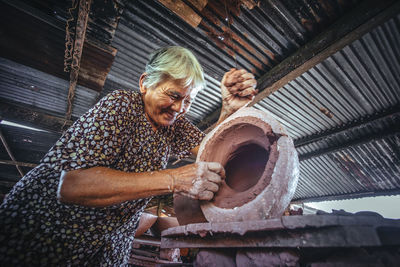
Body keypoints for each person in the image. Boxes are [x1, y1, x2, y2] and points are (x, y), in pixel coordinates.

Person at [0, 46, 257, 266]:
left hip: (106, 241)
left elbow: (213, 150)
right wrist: (173, 179)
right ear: (145, 83)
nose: (179, 108)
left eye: (188, 101)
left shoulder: (172, 125)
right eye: (174, 95)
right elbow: (72, 186)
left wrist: (229, 111)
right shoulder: (121, 106)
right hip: (45, 229)